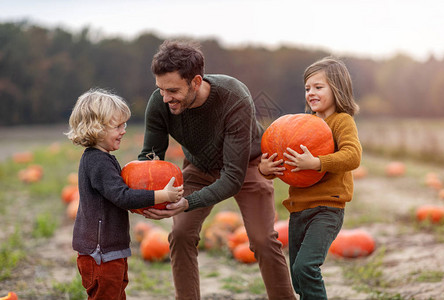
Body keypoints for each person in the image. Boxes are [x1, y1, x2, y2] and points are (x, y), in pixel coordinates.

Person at [138, 40, 296, 300]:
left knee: (263, 241)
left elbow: (233, 177)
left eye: (173, 90)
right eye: (161, 89)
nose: (165, 98)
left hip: (246, 165)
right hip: (198, 167)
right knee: (179, 234)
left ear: (196, 82)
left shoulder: (234, 98)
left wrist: (188, 202)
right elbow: (150, 157)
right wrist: (146, 195)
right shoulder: (160, 102)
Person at [259, 57, 362, 300]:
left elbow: (353, 156)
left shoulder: (342, 121)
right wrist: (266, 168)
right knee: (298, 276)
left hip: (327, 208)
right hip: (299, 209)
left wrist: (317, 163)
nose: (311, 93)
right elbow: (280, 164)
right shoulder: (303, 126)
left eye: (318, 87)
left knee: (306, 267)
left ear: (336, 89)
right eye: (307, 88)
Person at [65, 88, 183, 299]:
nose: (124, 130)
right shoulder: (98, 162)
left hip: (109, 250)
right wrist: (162, 195)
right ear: (97, 128)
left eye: (124, 124)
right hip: (101, 254)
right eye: (117, 126)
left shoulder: (102, 158)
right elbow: (123, 196)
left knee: (117, 294)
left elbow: (116, 198)